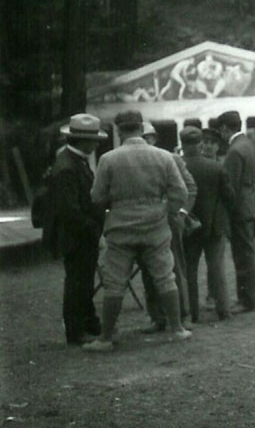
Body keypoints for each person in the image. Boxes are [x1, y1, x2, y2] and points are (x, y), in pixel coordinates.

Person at [84, 110, 191, 351]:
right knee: (165, 276)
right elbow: (181, 193)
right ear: (142, 128)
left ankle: (105, 338)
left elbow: (96, 196)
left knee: (114, 282)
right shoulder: (164, 157)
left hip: (121, 227)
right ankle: (177, 329)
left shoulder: (109, 159)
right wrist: (166, 210)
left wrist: (116, 202)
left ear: (119, 130)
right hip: (155, 225)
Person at [44, 114, 108, 345]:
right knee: (77, 283)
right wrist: (92, 228)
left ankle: (87, 322)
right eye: (93, 141)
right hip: (76, 235)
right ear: (83, 141)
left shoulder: (72, 161)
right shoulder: (68, 168)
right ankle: (75, 329)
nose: (96, 145)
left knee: (83, 280)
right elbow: (69, 209)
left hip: (80, 233)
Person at [139, 122, 198, 331]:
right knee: (148, 270)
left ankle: (183, 315)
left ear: (154, 139)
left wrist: (181, 213)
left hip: (169, 222)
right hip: (144, 222)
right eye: (140, 137)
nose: (144, 142)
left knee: (174, 268)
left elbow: (190, 188)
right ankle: (158, 318)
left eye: (147, 138)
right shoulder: (131, 160)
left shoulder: (171, 159)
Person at [179, 126, 235, 323]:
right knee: (217, 268)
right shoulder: (215, 167)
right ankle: (224, 310)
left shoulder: (177, 166)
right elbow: (229, 197)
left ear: (182, 144)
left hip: (187, 226)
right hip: (214, 225)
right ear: (200, 144)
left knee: (189, 271)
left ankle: (191, 313)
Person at [218, 110, 255, 313]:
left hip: (238, 208)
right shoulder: (249, 145)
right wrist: (249, 188)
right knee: (247, 253)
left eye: (220, 130)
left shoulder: (234, 150)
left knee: (242, 255)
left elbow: (230, 187)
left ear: (225, 128)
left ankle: (246, 301)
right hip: (248, 205)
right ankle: (249, 299)